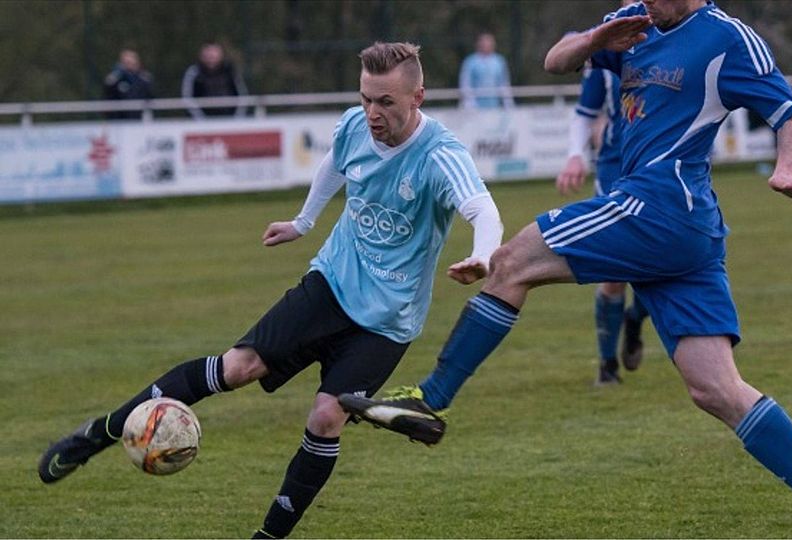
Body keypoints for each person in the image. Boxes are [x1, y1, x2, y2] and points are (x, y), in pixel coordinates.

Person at [342, 2, 792, 538]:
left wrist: (785, 171)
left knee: (509, 264)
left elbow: (788, 115)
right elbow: (555, 60)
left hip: (661, 206)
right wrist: (597, 38)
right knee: (715, 387)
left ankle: (431, 400)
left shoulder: (728, 39)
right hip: (680, 230)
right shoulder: (633, 19)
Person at [38, 41, 504, 539]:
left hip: (389, 321)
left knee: (326, 417)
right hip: (331, 283)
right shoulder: (353, 125)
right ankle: (98, 434)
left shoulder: (439, 154)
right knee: (237, 367)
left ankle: (268, 537)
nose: (372, 112)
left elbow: (483, 209)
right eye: (366, 98)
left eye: (385, 102)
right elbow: (334, 165)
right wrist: (304, 222)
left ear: (418, 98)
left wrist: (483, 254)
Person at [556, 28, 648, 384]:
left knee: (670, 262)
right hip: (614, 167)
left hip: (661, 166)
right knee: (614, 270)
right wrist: (575, 155)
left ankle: (635, 317)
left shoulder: (683, 37)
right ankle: (608, 366)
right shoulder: (609, 40)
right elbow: (585, 110)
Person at [181, 43, 250, 119]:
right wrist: (200, 119)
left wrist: (236, 118)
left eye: (213, 53)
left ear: (220, 54)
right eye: (208, 54)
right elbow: (188, 97)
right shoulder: (194, 72)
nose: (211, 57)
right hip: (201, 122)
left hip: (230, 119)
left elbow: (242, 95)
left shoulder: (230, 71)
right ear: (201, 55)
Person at [458, 32, 515, 109]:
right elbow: (465, 83)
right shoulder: (470, 61)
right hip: (475, 105)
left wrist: (508, 103)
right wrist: (469, 102)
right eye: (483, 43)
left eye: (489, 43)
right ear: (478, 44)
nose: (486, 45)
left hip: (494, 105)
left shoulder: (499, 61)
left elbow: (504, 83)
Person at [103, 49, 154, 120]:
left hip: (138, 117)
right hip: (118, 119)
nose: (129, 65)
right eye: (126, 62)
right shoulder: (116, 77)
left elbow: (149, 95)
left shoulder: (143, 78)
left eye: (131, 62)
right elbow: (108, 89)